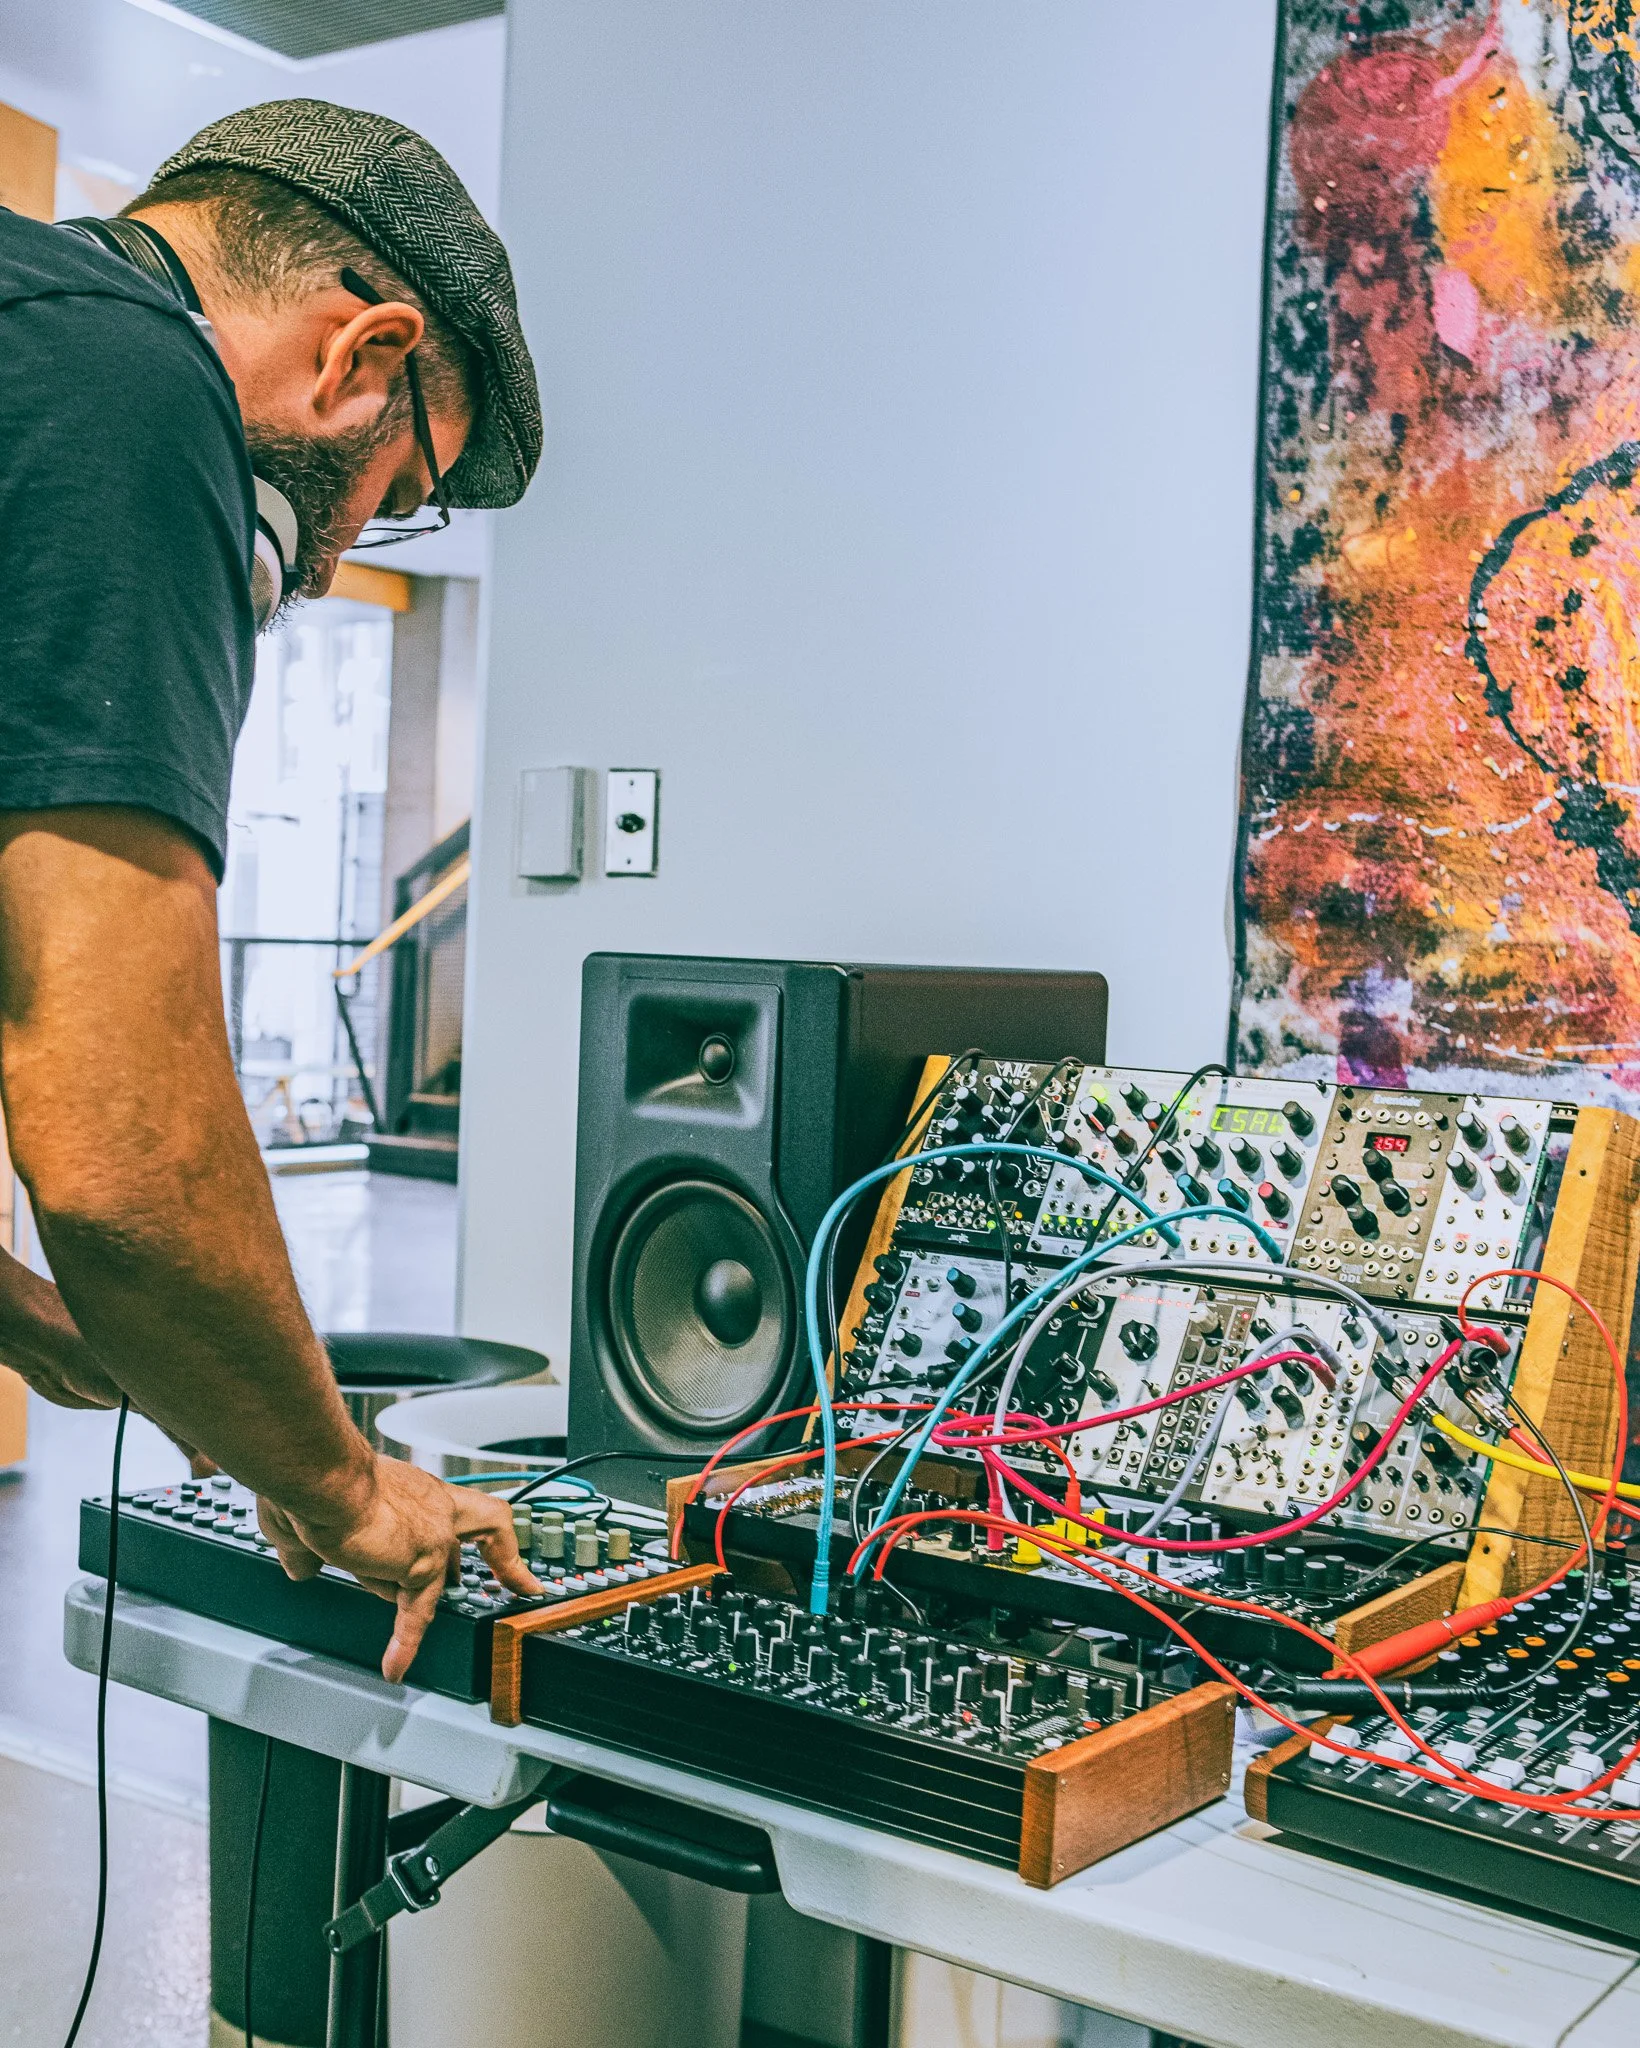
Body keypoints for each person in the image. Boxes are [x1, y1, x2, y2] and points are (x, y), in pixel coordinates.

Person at [0, 100, 545, 1680]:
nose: (336, 556)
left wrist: (27, 1309)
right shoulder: (124, 393)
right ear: (360, 357)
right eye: (403, 482)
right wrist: (341, 1483)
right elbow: (122, 1143)